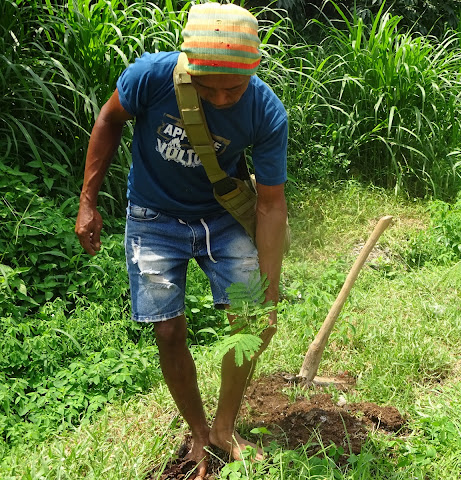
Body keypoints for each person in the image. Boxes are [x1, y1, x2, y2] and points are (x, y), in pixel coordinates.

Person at [74, 3, 288, 479]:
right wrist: (87, 200)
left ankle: (224, 427)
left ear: (253, 70)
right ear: (188, 64)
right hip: (153, 217)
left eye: (232, 87)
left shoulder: (266, 111)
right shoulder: (151, 76)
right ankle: (196, 430)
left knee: (251, 318)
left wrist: (270, 286)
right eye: (206, 85)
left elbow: (272, 205)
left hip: (222, 218)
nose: (219, 97)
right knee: (168, 330)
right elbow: (109, 120)